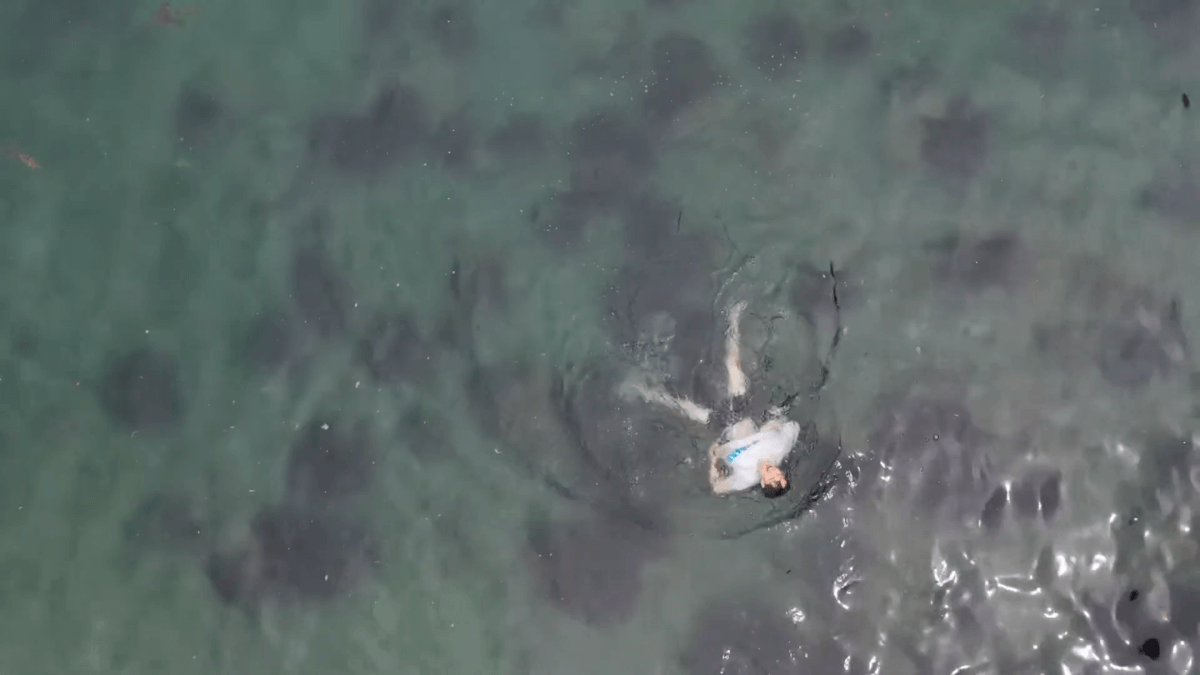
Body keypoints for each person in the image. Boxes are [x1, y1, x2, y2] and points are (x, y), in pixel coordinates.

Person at [622, 301, 801, 498]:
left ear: (764, 484)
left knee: (682, 407)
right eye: (779, 474)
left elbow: (717, 488)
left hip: (722, 426)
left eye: (772, 479)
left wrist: (714, 463)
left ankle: (643, 391)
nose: (773, 472)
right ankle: (733, 320)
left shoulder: (746, 478)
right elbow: (793, 426)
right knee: (733, 364)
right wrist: (774, 424)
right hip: (744, 412)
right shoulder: (780, 447)